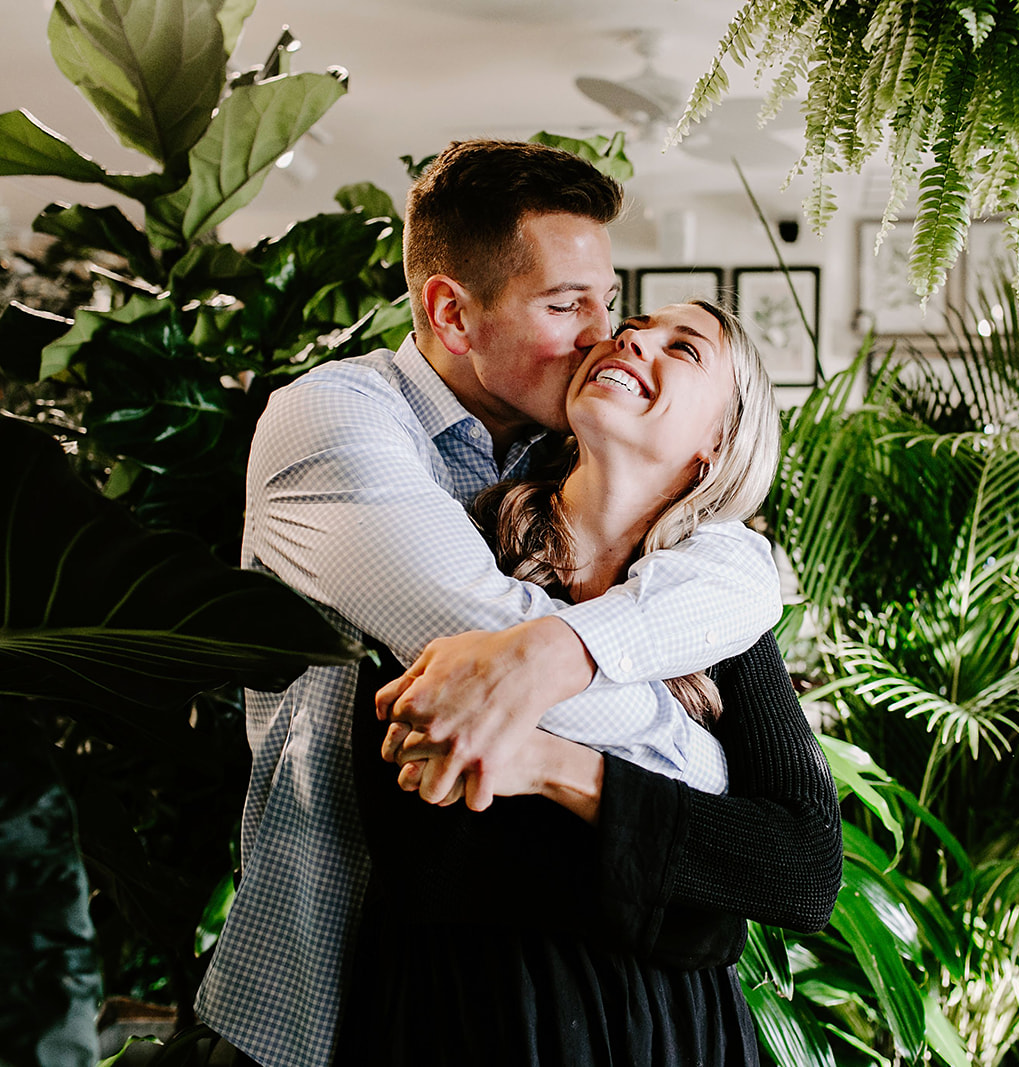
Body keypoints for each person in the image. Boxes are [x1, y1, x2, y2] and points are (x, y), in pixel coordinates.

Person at [195, 141, 785, 1067]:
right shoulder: (338, 422)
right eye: (565, 306)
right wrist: (696, 768)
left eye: (608, 300)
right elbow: (479, 633)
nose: (606, 334)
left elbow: (744, 570)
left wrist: (557, 657)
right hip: (332, 984)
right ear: (450, 314)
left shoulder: (568, 462)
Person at [342, 301, 842, 1064]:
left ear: (717, 443)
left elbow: (802, 868)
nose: (634, 337)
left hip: (675, 1034)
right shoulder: (459, 555)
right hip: (474, 1021)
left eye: (684, 348)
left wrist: (546, 766)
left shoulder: (719, 621)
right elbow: (426, 845)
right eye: (634, 324)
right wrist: (690, 908)